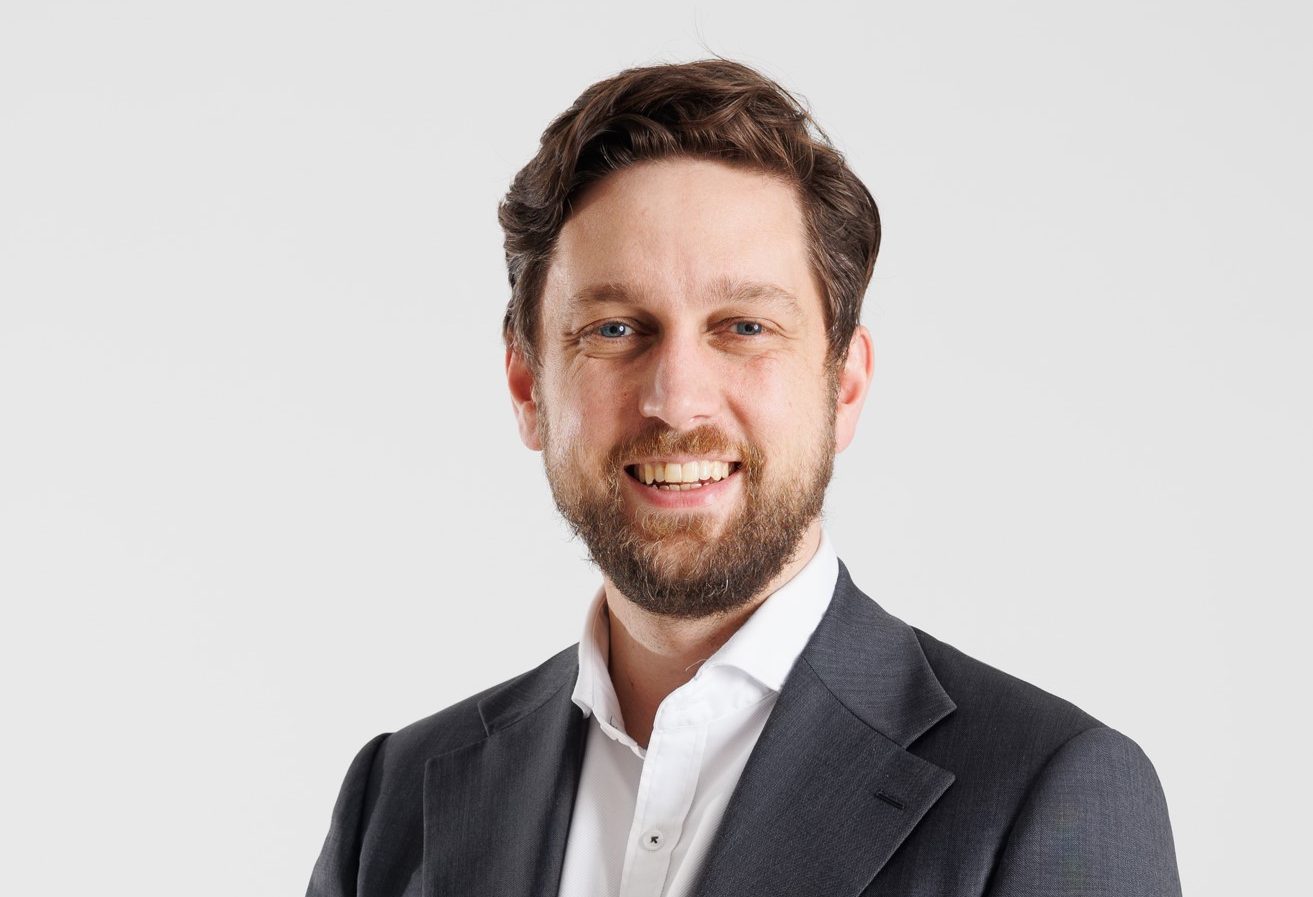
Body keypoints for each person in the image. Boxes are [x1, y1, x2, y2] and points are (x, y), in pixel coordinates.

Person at [306, 59, 1181, 897]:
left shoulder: (1043, 792)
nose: (676, 399)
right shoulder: (397, 800)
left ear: (844, 385)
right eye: (613, 329)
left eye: (744, 327)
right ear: (528, 387)